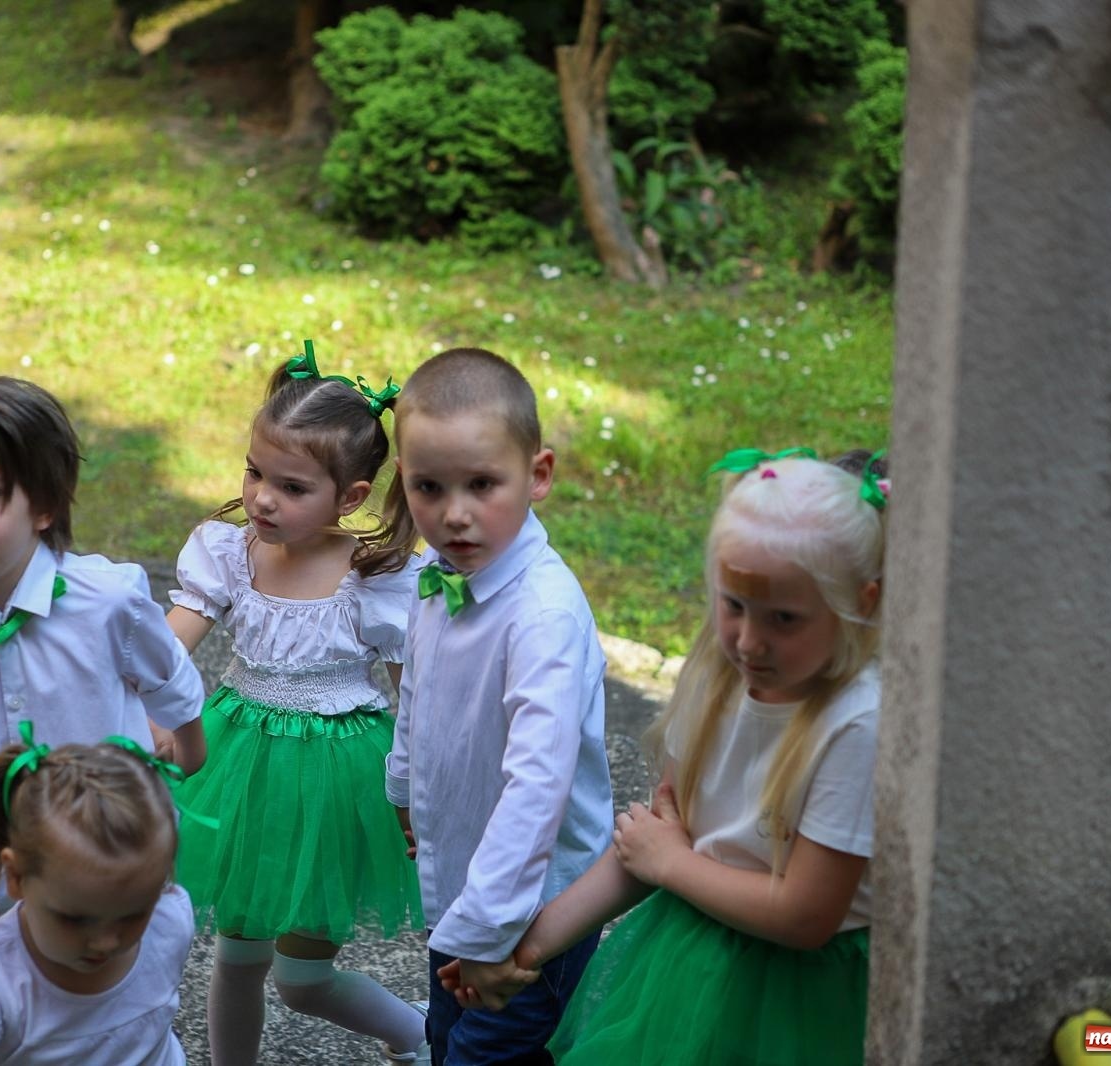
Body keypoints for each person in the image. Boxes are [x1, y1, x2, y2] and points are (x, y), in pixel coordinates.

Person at [450, 447, 888, 1066]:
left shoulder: (857, 724)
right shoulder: (717, 679)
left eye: (784, 618)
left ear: (863, 603)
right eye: (733, 606)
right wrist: (521, 951)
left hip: (801, 1000)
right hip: (687, 967)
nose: (749, 641)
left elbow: (804, 915)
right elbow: (645, 851)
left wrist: (673, 865)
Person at [0, 376, 206, 965]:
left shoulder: (109, 602)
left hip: (113, 881)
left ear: (45, 504)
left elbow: (170, 680)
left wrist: (187, 749)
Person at [165, 343, 428, 1064]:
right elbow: (164, 653)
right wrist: (143, 707)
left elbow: (417, 703)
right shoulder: (229, 552)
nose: (262, 498)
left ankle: (415, 1031)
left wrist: (422, 788)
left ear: (349, 497)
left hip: (338, 779)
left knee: (303, 977)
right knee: (236, 957)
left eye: (291, 486)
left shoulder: (377, 579)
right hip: (241, 760)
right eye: (254, 472)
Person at [384, 347, 613, 1065]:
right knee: (444, 1041)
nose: (454, 515)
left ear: (537, 474)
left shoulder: (541, 615)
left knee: (484, 1057)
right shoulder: (440, 574)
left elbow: (538, 787)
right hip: (463, 887)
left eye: (483, 484)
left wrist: (487, 938)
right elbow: (417, 686)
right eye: (428, 487)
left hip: (532, 917)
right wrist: (403, 784)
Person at [0, 726, 194, 1066]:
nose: (106, 942)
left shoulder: (170, 919)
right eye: (76, 918)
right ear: (15, 876)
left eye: (133, 914)